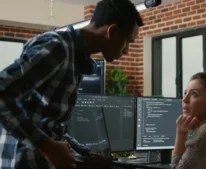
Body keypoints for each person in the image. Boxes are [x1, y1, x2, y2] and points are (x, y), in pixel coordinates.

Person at [0, 0, 143, 168]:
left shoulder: (77, 56)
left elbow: (48, 123)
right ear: (112, 31)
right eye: (128, 42)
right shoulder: (57, 47)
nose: (126, 51)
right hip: (26, 161)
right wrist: (48, 147)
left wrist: (84, 153)